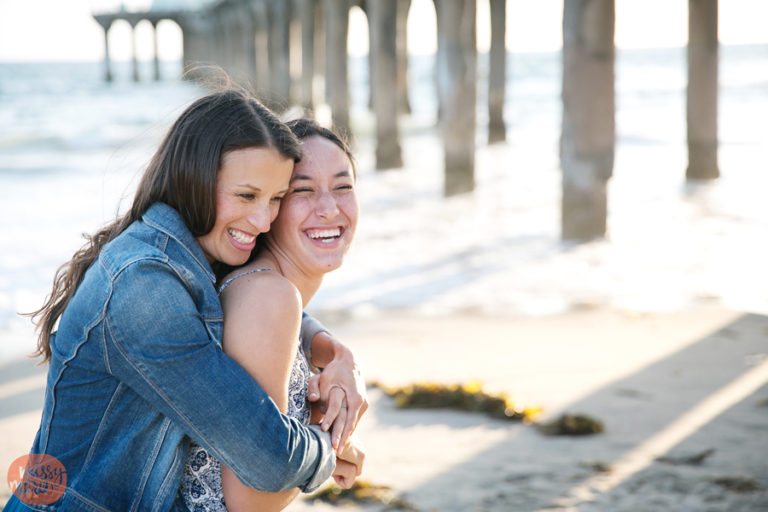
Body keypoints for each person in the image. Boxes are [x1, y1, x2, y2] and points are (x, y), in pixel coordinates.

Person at [3, 89, 366, 511]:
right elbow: (267, 460)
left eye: (275, 199)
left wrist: (336, 351)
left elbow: (267, 309)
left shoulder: (187, 257)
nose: (263, 219)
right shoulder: (145, 286)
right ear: (194, 179)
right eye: (247, 196)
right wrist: (331, 443)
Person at [180, 118, 364, 511]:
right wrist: (329, 446)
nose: (330, 208)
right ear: (271, 205)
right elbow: (251, 500)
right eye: (303, 191)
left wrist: (334, 354)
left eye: (343, 186)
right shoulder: (269, 297)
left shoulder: (266, 290)